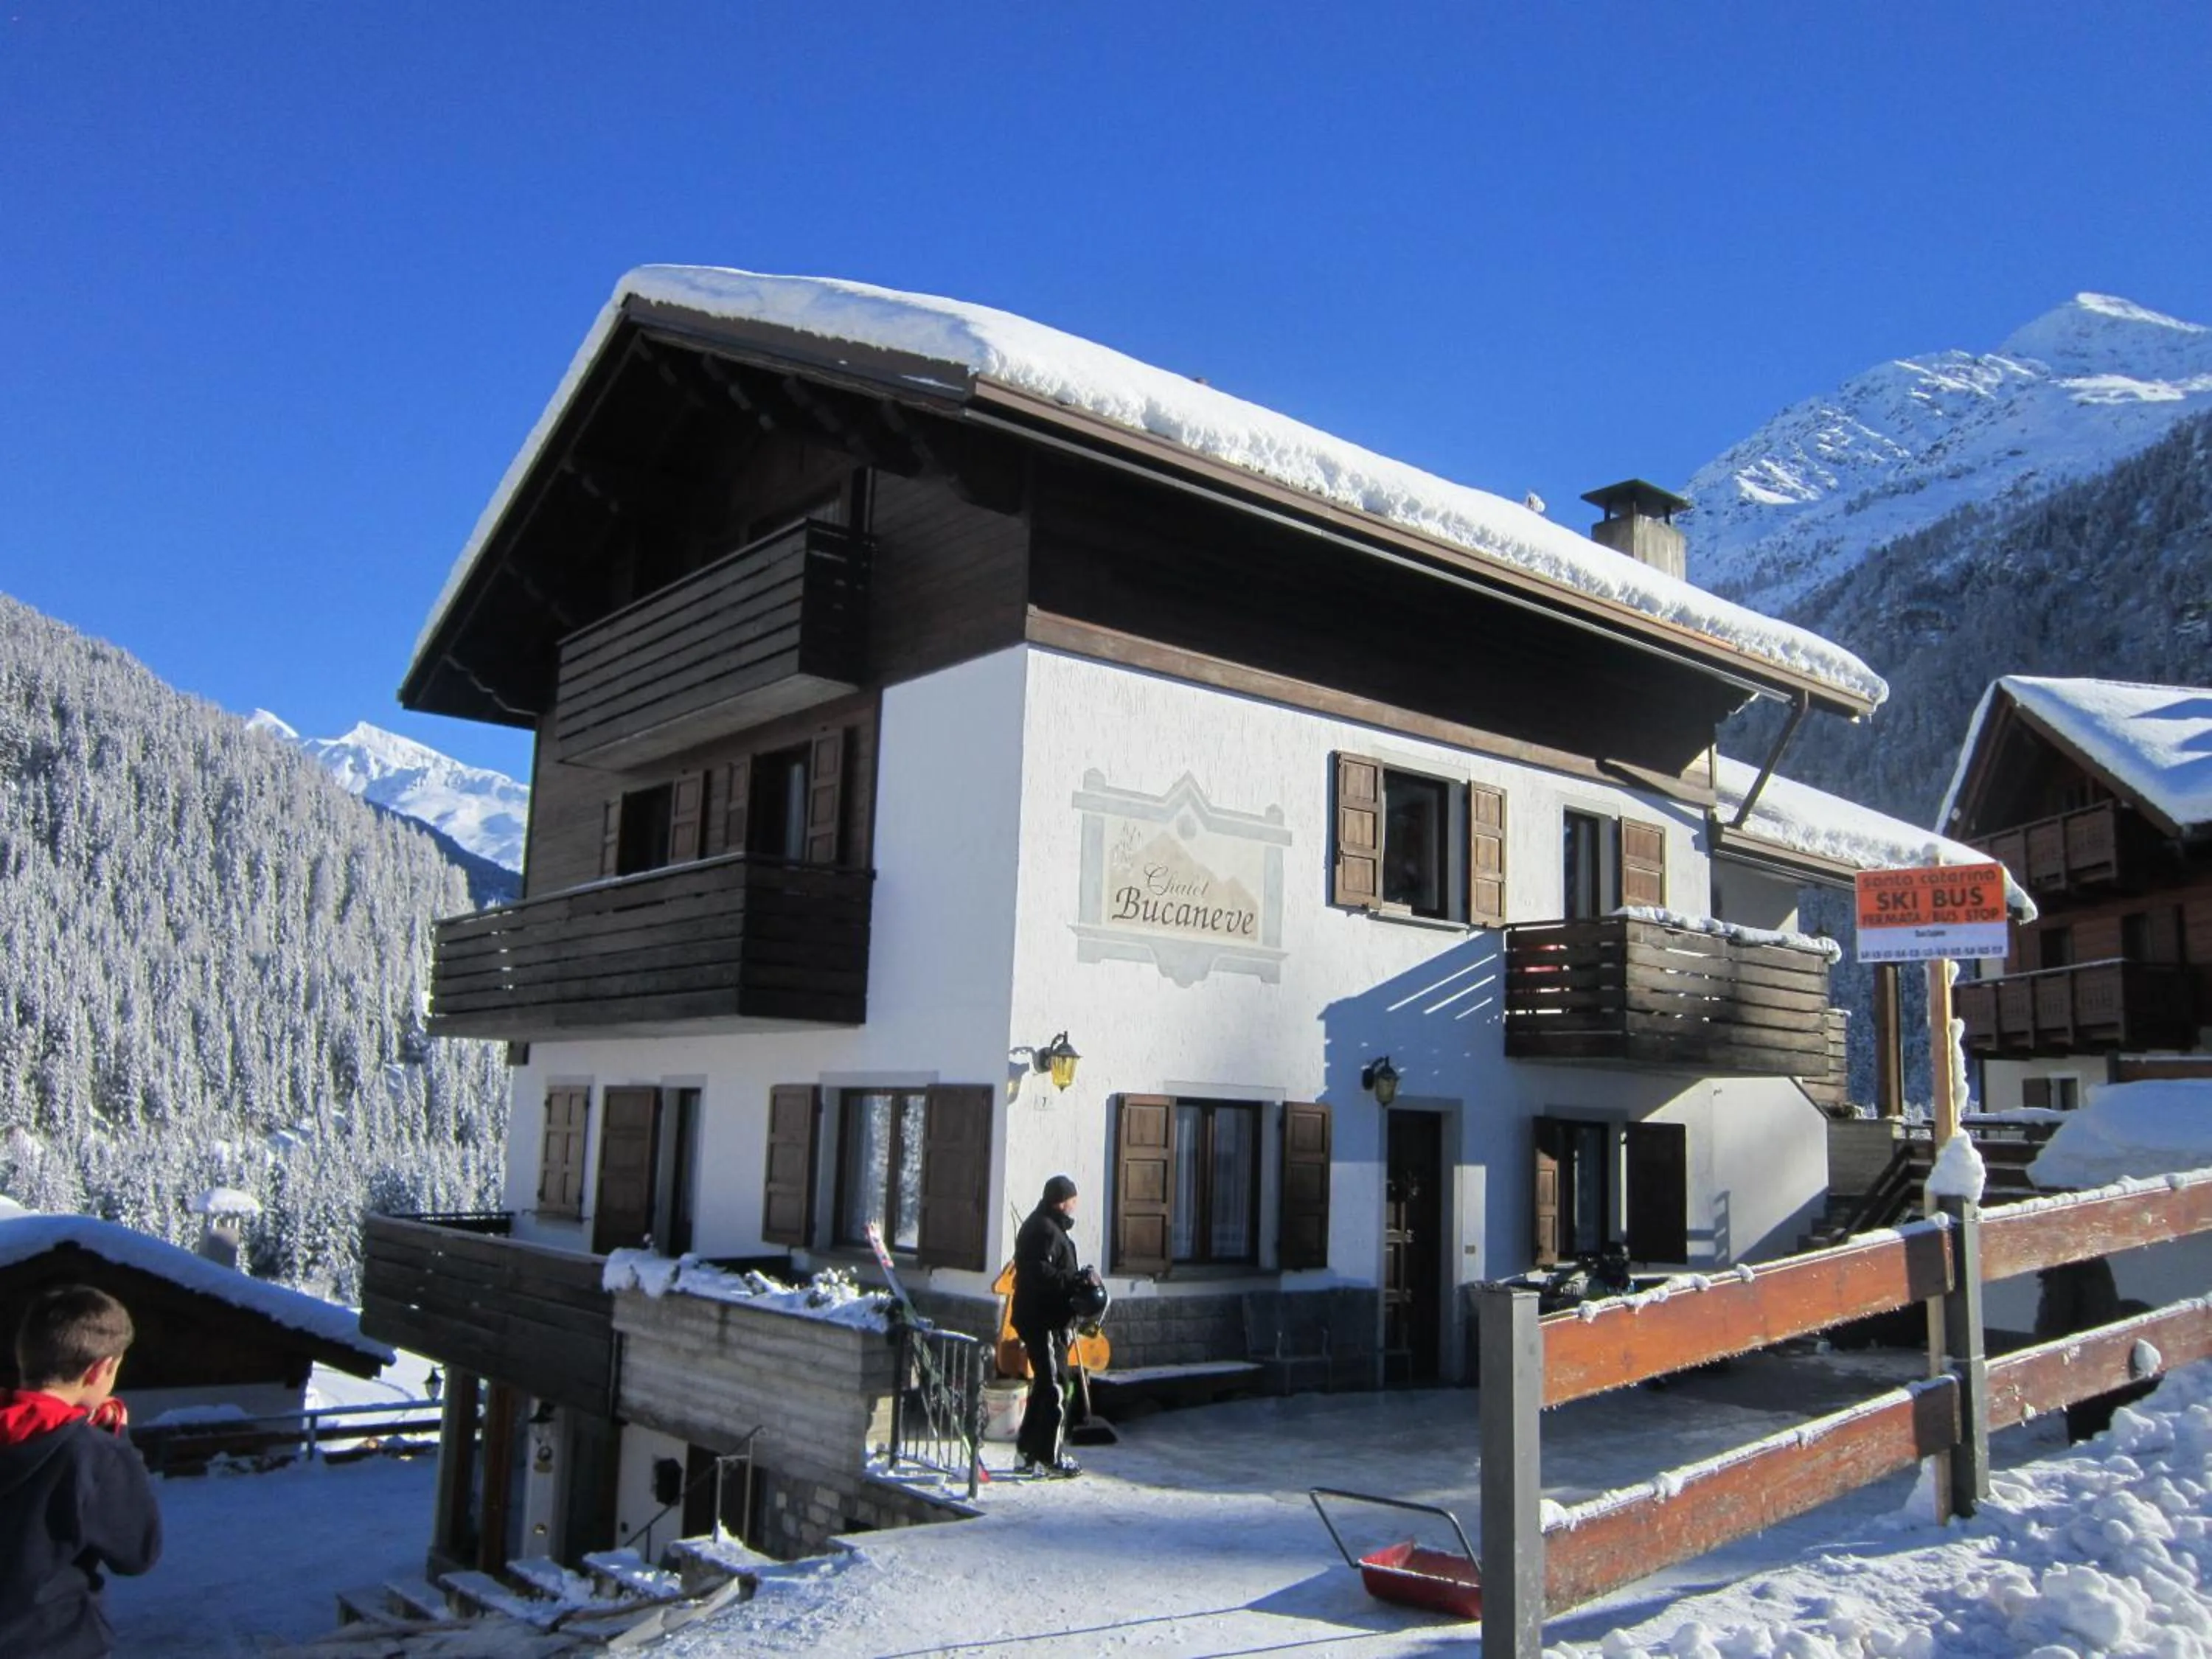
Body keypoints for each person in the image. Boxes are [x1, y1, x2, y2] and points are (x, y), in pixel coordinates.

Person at [0, 1284, 163, 1658]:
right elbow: (138, 1552)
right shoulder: (92, 1453)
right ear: (100, 1370)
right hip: (53, 1642)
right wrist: (118, 1446)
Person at [1012, 1174, 1098, 1478]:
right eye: (1073, 1199)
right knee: (1056, 1387)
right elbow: (1040, 1273)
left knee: (1044, 1385)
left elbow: (1051, 1269)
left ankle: (1027, 1452)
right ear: (1062, 1201)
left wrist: (1078, 1276)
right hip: (1043, 1320)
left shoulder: (1047, 1226)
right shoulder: (1044, 1229)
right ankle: (1050, 1457)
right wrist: (1074, 1280)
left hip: (1044, 1318)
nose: (1075, 1205)